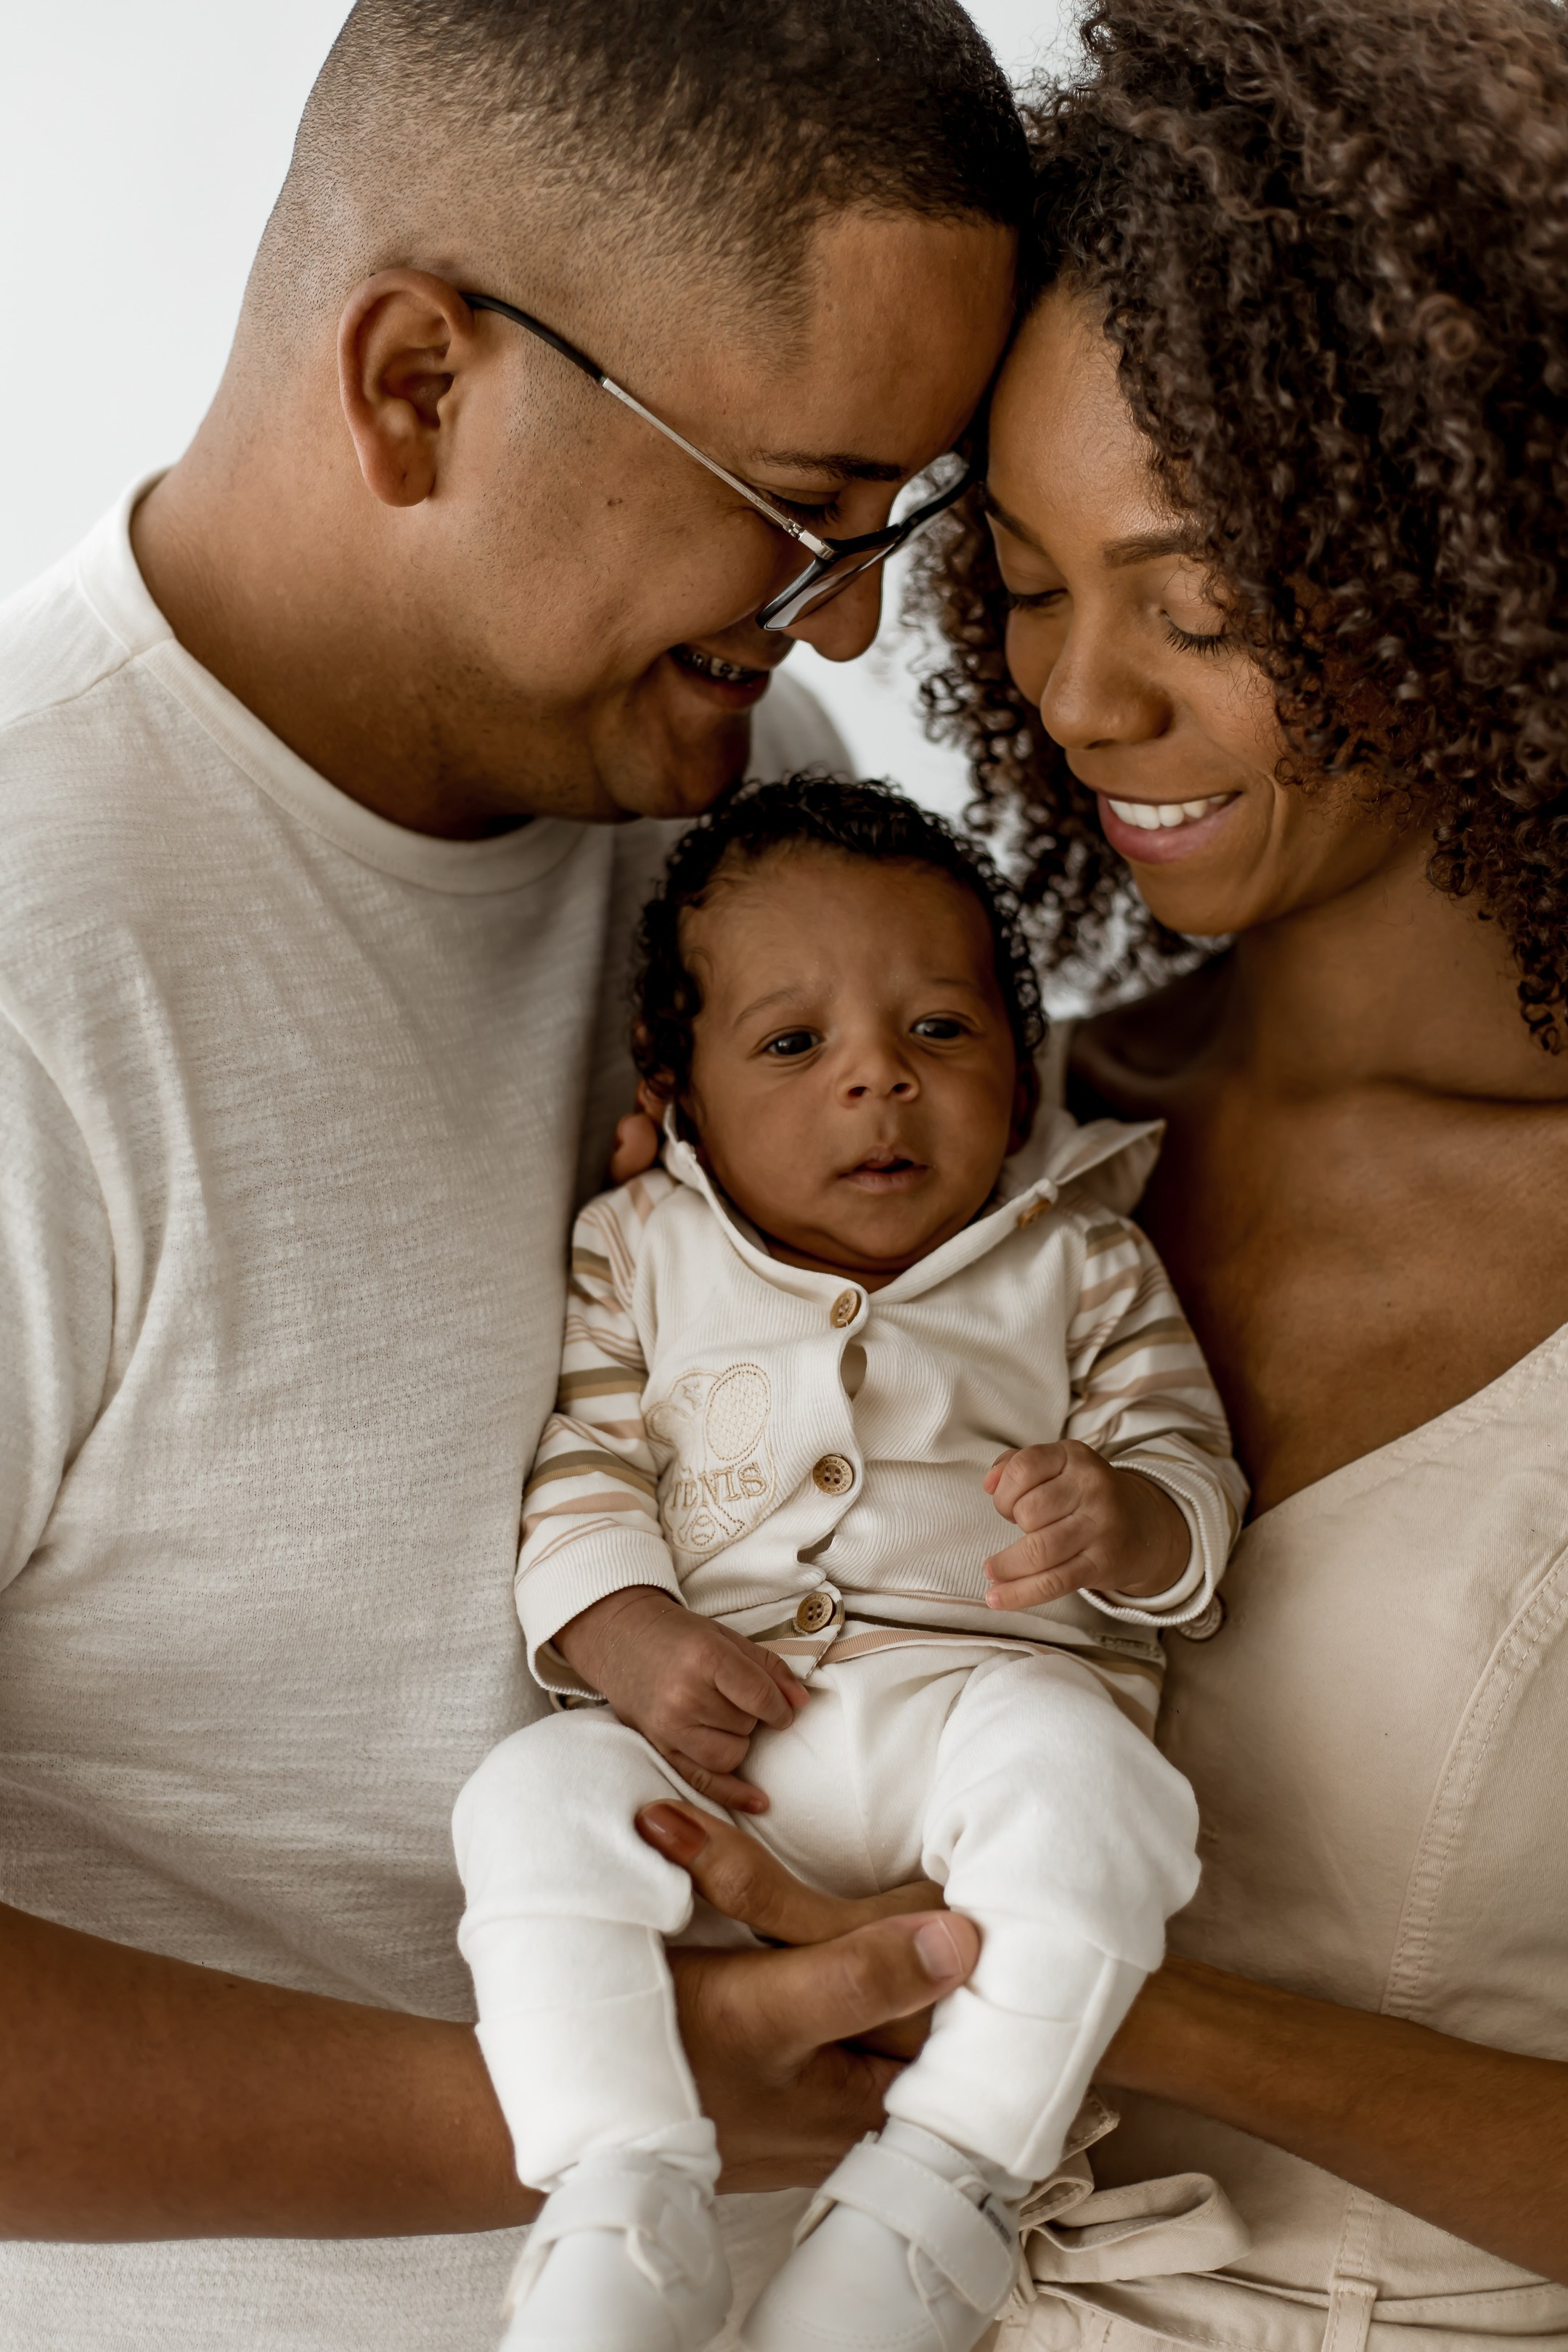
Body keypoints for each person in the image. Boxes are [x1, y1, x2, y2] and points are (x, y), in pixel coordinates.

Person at [0, 1, 1027, 2344]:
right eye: (795, 509)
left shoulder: (740, 767)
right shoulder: (35, 965)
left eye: (902, 523)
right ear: (416, 387)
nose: (852, 619)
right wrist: (589, 2109)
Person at [907, 0, 1568, 2339]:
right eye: (1019, 575)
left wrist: (1103, 2001)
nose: (1082, 697)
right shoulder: (990, 1122)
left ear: (1483, 577)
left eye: (1198, 605)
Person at [453, 778, 1245, 2352]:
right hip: (724, 1749)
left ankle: (947, 2183)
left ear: (1023, 1074)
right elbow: (587, 1469)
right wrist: (628, 1641)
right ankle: (621, 2181)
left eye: (943, 1031)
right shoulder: (639, 1249)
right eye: (794, 1045)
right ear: (675, 1096)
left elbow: (1189, 1470)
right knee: (525, 1807)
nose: (879, 1078)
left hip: (982, 1714)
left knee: (1104, 1797)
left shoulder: (1080, 1256)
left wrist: (1132, 1520)